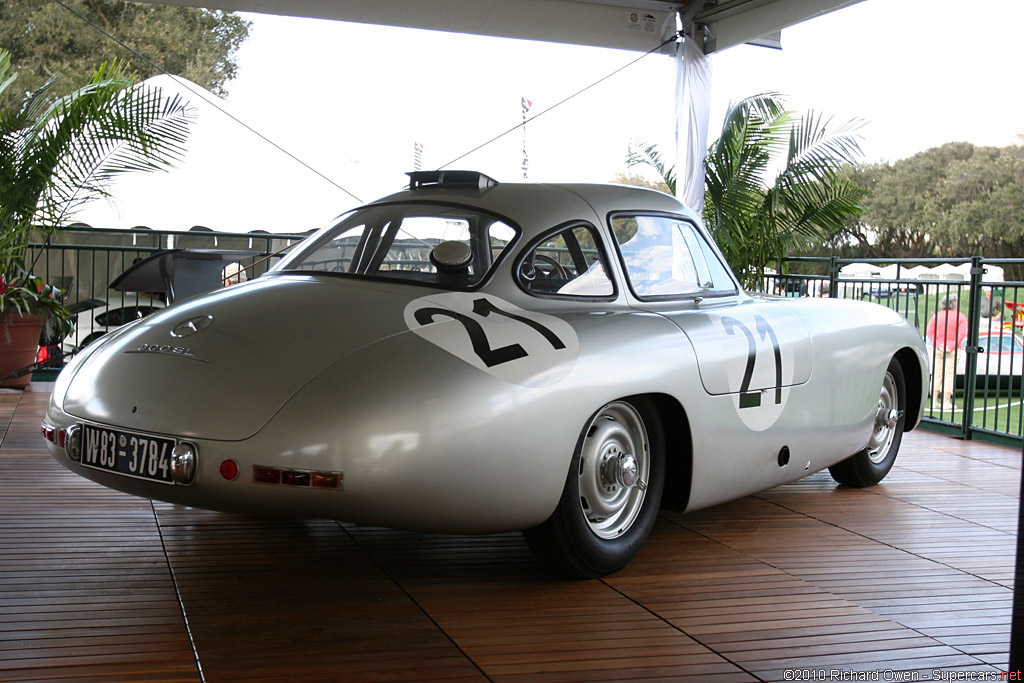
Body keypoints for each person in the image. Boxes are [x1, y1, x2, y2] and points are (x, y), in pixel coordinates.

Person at [924, 294, 968, 410]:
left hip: (938, 348)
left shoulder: (937, 316)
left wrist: (937, 344)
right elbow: (962, 333)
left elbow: (929, 331)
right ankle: (946, 402)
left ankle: (933, 401)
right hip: (953, 349)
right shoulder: (960, 317)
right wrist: (952, 345)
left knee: (936, 374)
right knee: (949, 375)